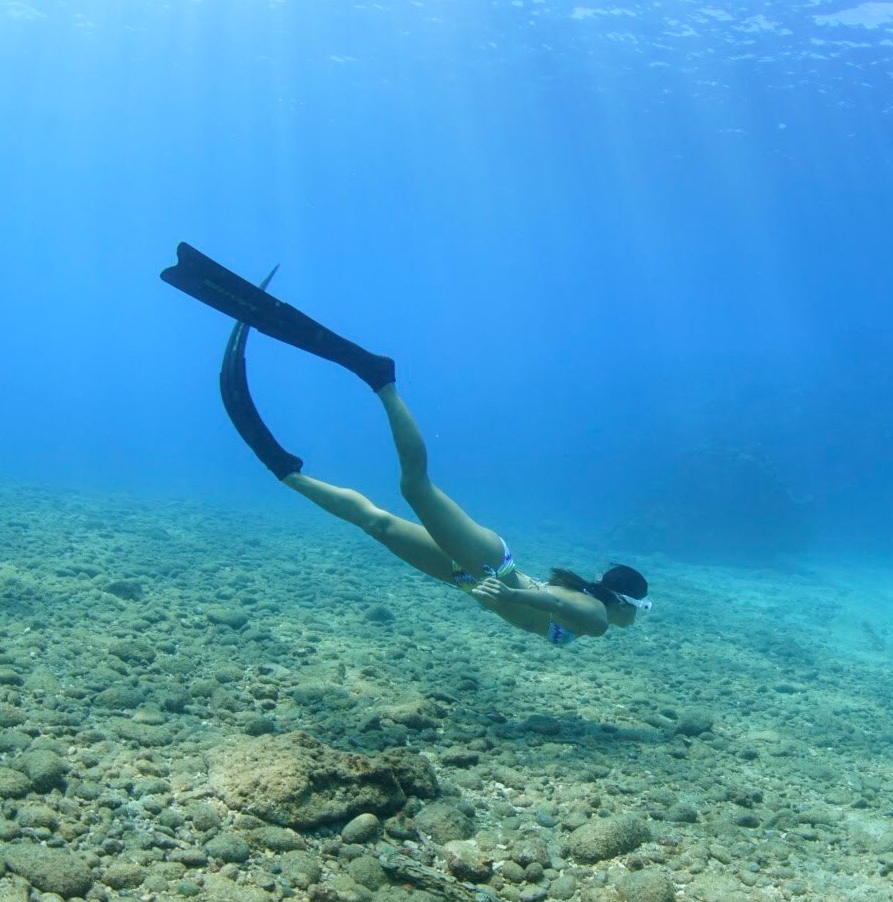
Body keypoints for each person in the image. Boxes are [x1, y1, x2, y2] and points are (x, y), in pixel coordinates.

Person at [162, 243, 650, 645]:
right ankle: (381, 379)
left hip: (472, 578)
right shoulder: (600, 618)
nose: (638, 620)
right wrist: (514, 598)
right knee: (415, 487)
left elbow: (557, 601)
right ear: (624, 602)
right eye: (642, 611)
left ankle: (289, 472)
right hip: (490, 567)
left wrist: (506, 598)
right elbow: (560, 604)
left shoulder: (594, 607)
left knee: (378, 524)